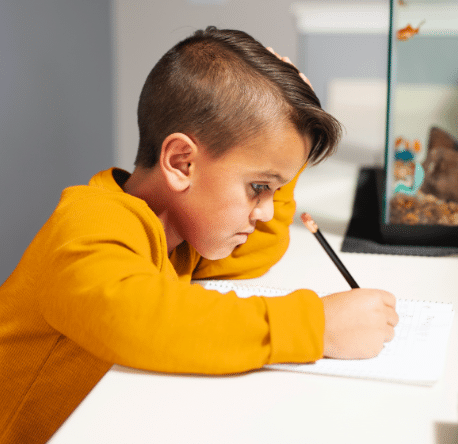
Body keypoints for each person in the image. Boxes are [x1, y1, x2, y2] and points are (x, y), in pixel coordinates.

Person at [0, 27, 398, 444]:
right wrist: (317, 327)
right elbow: (140, 320)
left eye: (275, 190)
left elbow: (255, 253)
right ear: (181, 162)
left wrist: (285, 148)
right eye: (259, 187)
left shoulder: (179, 237)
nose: (266, 212)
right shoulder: (88, 223)